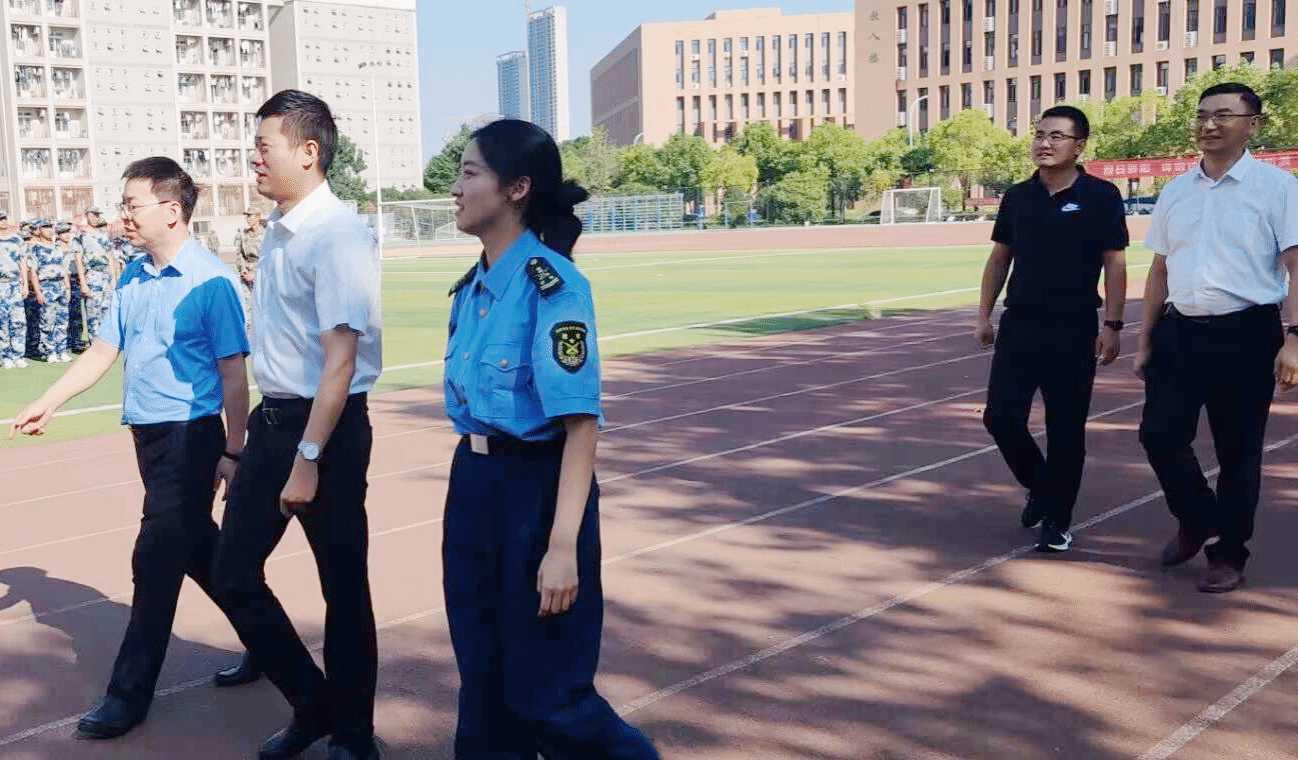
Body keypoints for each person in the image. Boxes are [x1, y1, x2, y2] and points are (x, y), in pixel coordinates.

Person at [9, 157, 253, 739]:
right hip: (149, 436)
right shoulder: (134, 275)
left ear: (171, 210)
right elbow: (102, 351)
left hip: (191, 436)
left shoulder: (211, 280)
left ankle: (128, 695)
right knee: (201, 552)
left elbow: (234, 374)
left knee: (154, 560)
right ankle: (270, 643)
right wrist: (49, 401)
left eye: (132, 204)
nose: (124, 215)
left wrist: (234, 451)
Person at [441, 118, 661, 760]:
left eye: (469, 173)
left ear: (516, 189)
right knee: (482, 683)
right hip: (473, 485)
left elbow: (580, 425)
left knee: (550, 695)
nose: (455, 188)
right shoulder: (471, 290)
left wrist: (562, 548)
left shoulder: (554, 287)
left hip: (536, 493)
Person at [211, 90, 383, 760]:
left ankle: (355, 736)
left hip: (326, 431)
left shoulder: (338, 234)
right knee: (232, 573)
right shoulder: (280, 229)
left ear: (308, 152)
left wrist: (308, 456)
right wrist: (247, 446)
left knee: (343, 587)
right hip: (274, 421)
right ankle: (314, 704)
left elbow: (341, 362)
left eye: (264, 147)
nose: (253, 159)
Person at [1137, 82, 1298, 593]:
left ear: (1253, 124)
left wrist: (1295, 339)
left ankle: (1229, 553)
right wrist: (1144, 340)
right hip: (1179, 330)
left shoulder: (1278, 188)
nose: (1208, 125)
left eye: (1223, 115)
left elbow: (1296, 266)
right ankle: (1197, 516)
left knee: (1238, 451)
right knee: (1159, 435)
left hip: (1245, 333)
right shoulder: (1176, 190)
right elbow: (1159, 270)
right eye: (1203, 115)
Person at [976, 105, 1129, 553]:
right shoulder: (1018, 196)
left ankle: (1057, 519)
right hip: (1019, 323)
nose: (1044, 143)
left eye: (1056, 136)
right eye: (1039, 134)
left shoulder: (1101, 195)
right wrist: (984, 314)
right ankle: (1043, 489)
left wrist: (1113, 324)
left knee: (1065, 428)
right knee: (1000, 417)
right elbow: (1000, 258)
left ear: (1079, 145)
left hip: (1073, 326)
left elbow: (1115, 264)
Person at [29, 218, 72, 363]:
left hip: (60, 285)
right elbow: (33, 272)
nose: (49, 230)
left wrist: (67, 287)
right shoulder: (35, 249)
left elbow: (64, 269)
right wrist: (38, 291)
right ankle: (50, 351)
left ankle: (61, 350)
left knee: (62, 320)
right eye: (45, 227)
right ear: (39, 230)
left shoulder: (58, 248)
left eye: (50, 227)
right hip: (46, 286)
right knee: (47, 321)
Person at [77, 205, 119, 344]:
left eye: (98, 215)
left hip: (106, 275)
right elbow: (78, 260)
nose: (96, 218)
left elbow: (110, 258)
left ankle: (105, 343)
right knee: (93, 312)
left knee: (107, 311)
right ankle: (94, 344)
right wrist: (83, 283)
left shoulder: (104, 236)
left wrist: (114, 280)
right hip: (92, 275)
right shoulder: (81, 236)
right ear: (87, 215)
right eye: (93, 215)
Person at [0, 211, 30, 369]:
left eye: (4, 219)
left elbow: (23, 262)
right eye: (0, 220)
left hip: (15, 284)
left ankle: (18, 355)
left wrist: (25, 284)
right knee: (2, 322)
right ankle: (5, 356)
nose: (3, 222)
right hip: (1, 284)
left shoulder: (17, 240)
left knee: (18, 321)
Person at [57, 220, 88, 354]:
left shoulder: (74, 248)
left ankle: (76, 340)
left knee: (76, 313)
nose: (66, 235)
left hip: (74, 280)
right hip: (62, 282)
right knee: (63, 314)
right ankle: (65, 342)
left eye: (67, 232)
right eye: (63, 232)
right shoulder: (56, 249)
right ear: (58, 234)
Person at [233, 206, 264, 326]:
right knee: (245, 305)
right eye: (247, 216)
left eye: (251, 216)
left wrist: (255, 275)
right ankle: (248, 330)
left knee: (262, 306)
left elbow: (269, 257)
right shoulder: (243, 235)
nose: (248, 219)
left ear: (258, 217)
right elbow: (240, 254)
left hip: (261, 274)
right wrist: (243, 270)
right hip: (246, 274)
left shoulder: (266, 234)